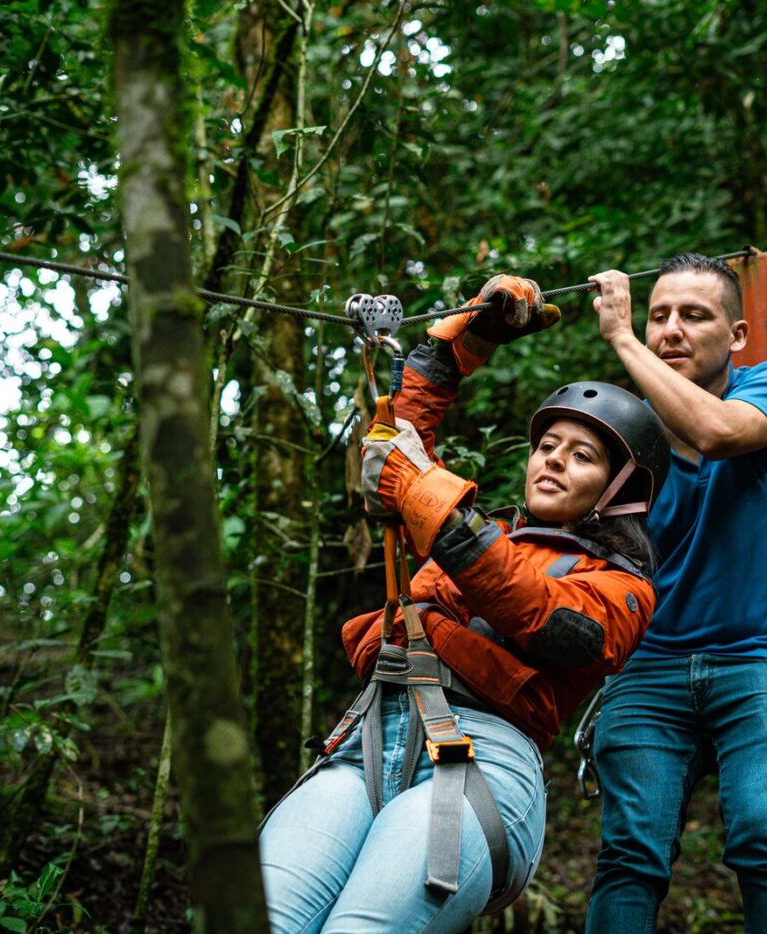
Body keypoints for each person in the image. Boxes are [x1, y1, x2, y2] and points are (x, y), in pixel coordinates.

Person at [258, 275, 671, 934]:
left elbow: (536, 613)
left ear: (621, 490)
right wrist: (460, 347)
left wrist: (429, 500)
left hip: (477, 764)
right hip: (366, 742)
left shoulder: (621, 590)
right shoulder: (483, 532)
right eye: (547, 447)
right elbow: (401, 440)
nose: (553, 462)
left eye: (583, 455)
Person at [585, 253, 767, 933]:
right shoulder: (625, 430)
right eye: (658, 316)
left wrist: (622, 338)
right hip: (650, 664)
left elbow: (717, 433)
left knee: (765, 832)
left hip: (765, 658)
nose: (671, 330)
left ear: (737, 335)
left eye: (694, 315)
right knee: (629, 852)